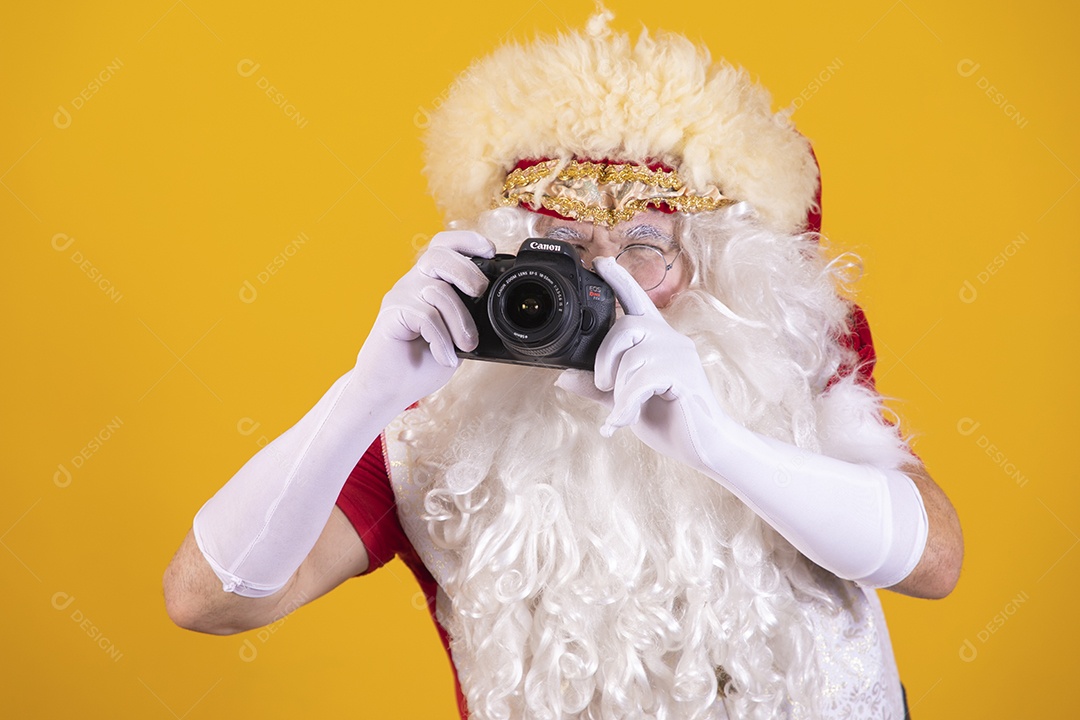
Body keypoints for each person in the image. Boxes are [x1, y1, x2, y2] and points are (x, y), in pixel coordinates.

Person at [163, 10, 962, 719]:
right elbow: (206, 599)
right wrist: (362, 396)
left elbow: (934, 564)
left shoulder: (781, 361)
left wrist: (723, 446)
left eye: (644, 244)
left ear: (715, 264)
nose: (599, 281)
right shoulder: (441, 428)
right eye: (563, 245)